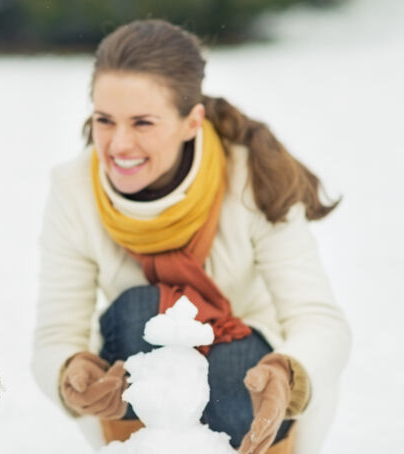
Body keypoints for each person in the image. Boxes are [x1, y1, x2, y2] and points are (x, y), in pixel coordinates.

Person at [31, 19, 350, 454]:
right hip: (139, 374)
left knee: (226, 366)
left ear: (191, 122)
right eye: (105, 120)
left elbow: (319, 320)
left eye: (142, 122)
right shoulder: (74, 188)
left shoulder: (253, 176)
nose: (118, 144)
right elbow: (56, 335)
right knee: (141, 312)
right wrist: (73, 373)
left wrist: (287, 375)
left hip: (249, 374)